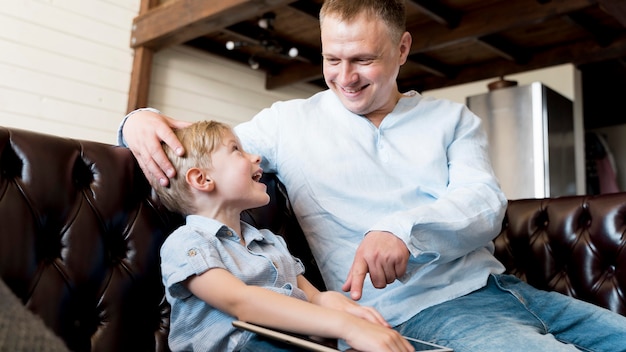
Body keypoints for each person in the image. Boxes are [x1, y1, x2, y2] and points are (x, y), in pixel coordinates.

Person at [120, 0, 626, 351]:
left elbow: (483, 202)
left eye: (362, 59)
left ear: (402, 49)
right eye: (331, 59)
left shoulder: (452, 120)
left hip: (504, 287)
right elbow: (204, 159)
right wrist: (135, 122)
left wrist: (401, 229)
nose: (345, 77)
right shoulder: (285, 124)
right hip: (415, 313)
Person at [153, 120, 414, 352]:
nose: (256, 158)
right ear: (202, 178)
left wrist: (349, 311)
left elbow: (315, 297)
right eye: (236, 150)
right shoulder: (187, 242)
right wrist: (346, 327)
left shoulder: (270, 243)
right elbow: (242, 302)